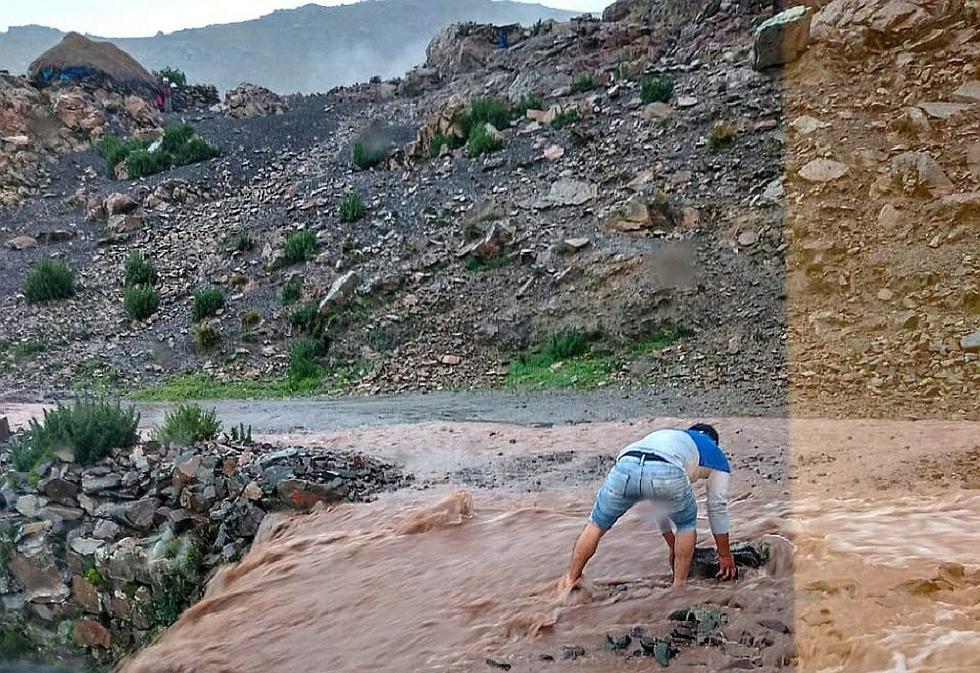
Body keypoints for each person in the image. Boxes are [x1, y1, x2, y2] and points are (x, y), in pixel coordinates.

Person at [562, 423, 735, 589]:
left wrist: (672, 544)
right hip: (666, 468)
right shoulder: (716, 454)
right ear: (714, 442)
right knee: (686, 524)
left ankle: (571, 580)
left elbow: (657, 503)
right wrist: (725, 555)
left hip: (626, 463)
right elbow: (717, 506)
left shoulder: (669, 436)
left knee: (596, 524)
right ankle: (679, 588)